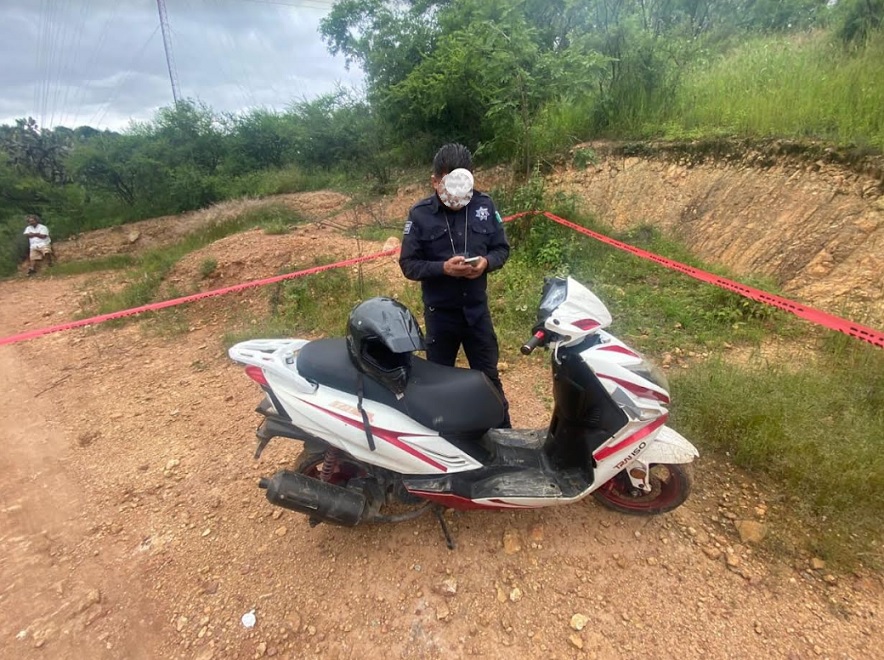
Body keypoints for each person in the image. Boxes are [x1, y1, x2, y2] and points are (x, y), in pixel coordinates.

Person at [399, 143, 512, 427]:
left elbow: (502, 249)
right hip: (441, 316)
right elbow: (409, 264)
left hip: (476, 313)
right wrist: (442, 269)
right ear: (435, 180)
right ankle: (442, 442)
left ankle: (503, 436)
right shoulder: (420, 214)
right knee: (437, 384)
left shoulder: (484, 206)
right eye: (447, 184)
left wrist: (486, 263)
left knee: (488, 378)